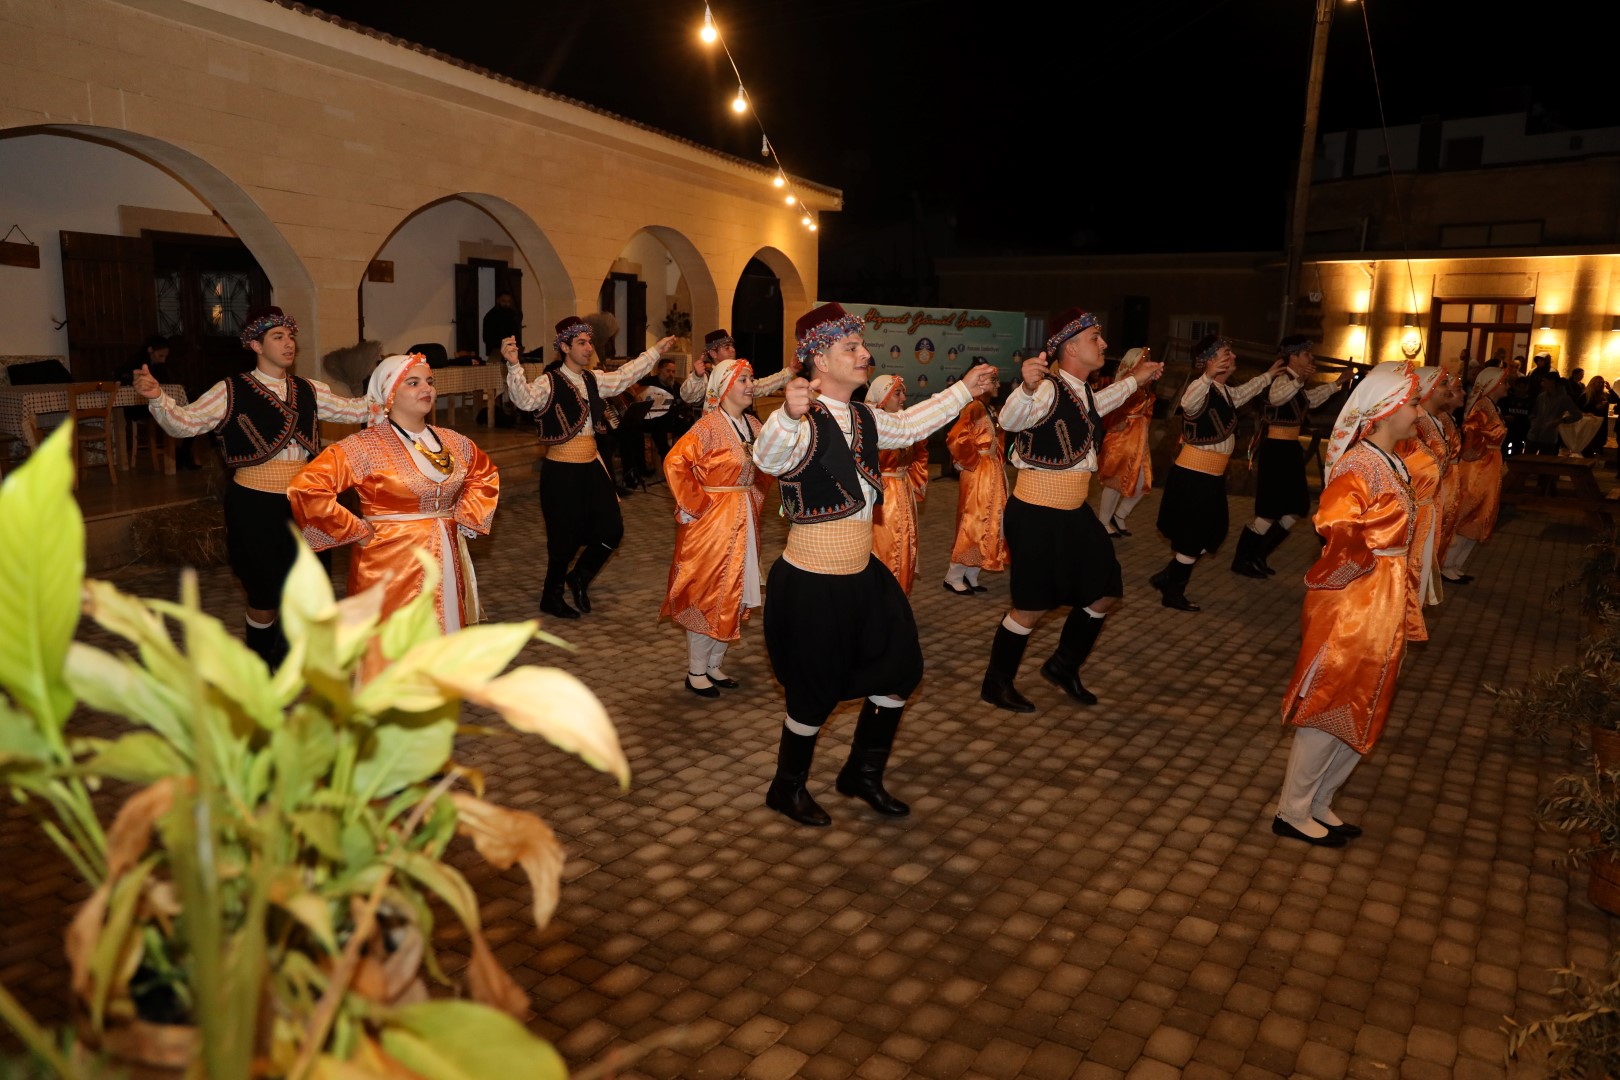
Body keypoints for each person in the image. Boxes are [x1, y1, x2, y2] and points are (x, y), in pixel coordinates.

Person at [753, 303, 998, 826]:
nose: (865, 353)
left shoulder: (864, 417)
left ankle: (861, 774)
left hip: (862, 574)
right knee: (813, 693)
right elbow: (767, 459)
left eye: (862, 346)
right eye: (851, 347)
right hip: (812, 581)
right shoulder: (797, 420)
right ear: (820, 360)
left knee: (900, 670)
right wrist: (785, 415)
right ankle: (786, 788)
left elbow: (908, 425)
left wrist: (964, 390)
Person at [132, 307, 374, 666]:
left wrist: (399, 385)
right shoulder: (229, 390)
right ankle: (261, 660)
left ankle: (292, 658)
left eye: (290, 337)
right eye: (278, 337)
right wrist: (157, 398)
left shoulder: (310, 390)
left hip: (305, 503)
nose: (289, 343)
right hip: (254, 504)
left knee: (309, 585)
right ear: (256, 346)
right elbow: (185, 423)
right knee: (264, 594)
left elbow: (357, 410)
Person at [978, 309, 1164, 713]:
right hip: (1037, 513)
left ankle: (1063, 665)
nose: (1104, 343)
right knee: (1031, 607)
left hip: (1075, 512)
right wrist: (1025, 388)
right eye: (1096, 336)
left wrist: (1136, 379)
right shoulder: (1046, 389)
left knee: (1106, 590)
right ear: (1072, 347)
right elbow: (1010, 418)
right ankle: (997, 682)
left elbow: (1102, 402)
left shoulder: (1082, 391)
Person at [1273, 362, 1421, 846]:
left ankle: (1320, 801)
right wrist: (1366, 568)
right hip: (1359, 600)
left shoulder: (1392, 460)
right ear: (1386, 410)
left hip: (1383, 596)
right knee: (1331, 700)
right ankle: (1292, 811)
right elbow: (1335, 523)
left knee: (1367, 699)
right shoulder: (1360, 464)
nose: (1419, 413)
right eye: (1414, 404)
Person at [287, 354, 500, 676]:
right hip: (389, 561)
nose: (426, 388)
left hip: (445, 552)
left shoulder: (452, 441)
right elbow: (307, 487)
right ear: (389, 395)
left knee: (442, 625)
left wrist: (466, 516)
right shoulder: (365, 446)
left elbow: (484, 474)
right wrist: (355, 529)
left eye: (429, 381)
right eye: (413, 383)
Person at [503, 320, 676, 619]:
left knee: (612, 529)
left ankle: (580, 577)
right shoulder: (549, 381)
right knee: (564, 537)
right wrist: (514, 365)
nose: (588, 348)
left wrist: (655, 352)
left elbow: (625, 375)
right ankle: (551, 596)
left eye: (589, 342)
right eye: (581, 343)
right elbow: (524, 399)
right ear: (565, 347)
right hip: (561, 470)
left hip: (592, 465)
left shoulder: (594, 379)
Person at [660, 357, 773, 697]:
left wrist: (755, 495)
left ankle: (714, 664)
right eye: (744, 380)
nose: (751, 386)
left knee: (735, 590)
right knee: (707, 592)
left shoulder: (753, 424)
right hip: (713, 525)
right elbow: (675, 461)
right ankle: (696, 671)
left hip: (744, 520)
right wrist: (695, 505)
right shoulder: (708, 426)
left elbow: (768, 465)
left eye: (751, 379)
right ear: (724, 387)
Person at [1150, 335, 1284, 612]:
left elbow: (1245, 392)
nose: (1233, 357)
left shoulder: (1224, 391)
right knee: (1194, 536)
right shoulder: (1200, 389)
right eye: (1226, 353)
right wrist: (1207, 376)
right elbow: (1188, 403)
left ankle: (1169, 575)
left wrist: (1269, 375)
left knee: (1215, 532)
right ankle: (1173, 591)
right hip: (1193, 475)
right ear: (1211, 361)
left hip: (1210, 477)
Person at [1231, 336, 1351, 577]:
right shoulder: (1281, 379)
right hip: (1275, 450)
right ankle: (1242, 560)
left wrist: (1337, 383)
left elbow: (1310, 400)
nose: (1311, 357)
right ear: (1293, 357)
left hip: (1290, 451)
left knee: (1297, 507)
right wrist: (1300, 380)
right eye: (1306, 354)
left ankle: (1259, 553)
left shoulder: (1296, 384)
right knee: (1268, 511)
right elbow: (1277, 398)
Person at [1398, 368, 1454, 642]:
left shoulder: (1434, 421)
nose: (1450, 390)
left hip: (1429, 503)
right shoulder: (1413, 426)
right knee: (1412, 570)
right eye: (1444, 384)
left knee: (1421, 568)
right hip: (1416, 508)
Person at [942, 372, 1008, 595]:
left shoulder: (987, 408)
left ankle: (972, 572)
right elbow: (956, 437)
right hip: (979, 472)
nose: (997, 385)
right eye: (993, 381)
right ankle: (953, 576)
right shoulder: (973, 408)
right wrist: (971, 461)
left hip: (991, 470)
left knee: (992, 519)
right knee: (973, 521)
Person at [1442, 366, 1508, 585]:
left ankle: (1456, 563)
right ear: (1494, 385)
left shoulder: (1492, 406)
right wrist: (1480, 453)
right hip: (1479, 468)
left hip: (1488, 465)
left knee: (1482, 513)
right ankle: (1447, 564)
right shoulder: (1482, 406)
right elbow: (1471, 432)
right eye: (1504, 382)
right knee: (1470, 512)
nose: (1507, 387)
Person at [867, 375, 928, 594]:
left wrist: (913, 481)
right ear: (883, 397)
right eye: (897, 393)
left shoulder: (905, 424)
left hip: (903, 491)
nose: (903, 398)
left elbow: (921, 453)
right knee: (885, 546)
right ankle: (881, 596)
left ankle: (899, 593)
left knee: (905, 542)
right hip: (882, 496)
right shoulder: (872, 426)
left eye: (903, 393)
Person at [1095, 347, 1155, 537]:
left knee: (1143, 482)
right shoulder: (1126, 382)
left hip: (1138, 438)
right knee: (1115, 482)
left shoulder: (1143, 382)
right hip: (1122, 438)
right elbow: (1112, 409)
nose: (1147, 362)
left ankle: (1119, 515)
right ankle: (1103, 522)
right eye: (1144, 359)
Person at [681, 328, 793, 411]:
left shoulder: (739, 374)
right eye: (727, 348)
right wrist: (697, 376)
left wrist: (790, 371)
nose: (733, 350)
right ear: (713, 353)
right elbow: (687, 397)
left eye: (732, 346)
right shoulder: (707, 377)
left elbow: (761, 386)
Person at [1527, 375, 1580, 456]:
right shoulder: (1541, 396)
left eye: (1544, 381)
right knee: (1527, 459)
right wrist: (1533, 421)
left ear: (1552, 382)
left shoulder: (1563, 398)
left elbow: (1578, 415)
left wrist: (1560, 420)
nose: (1541, 384)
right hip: (1534, 434)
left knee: (1545, 460)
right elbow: (1535, 412)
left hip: (1549, 436)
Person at [481, 290, 521, 361]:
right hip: (497, 352)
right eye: (504, 301)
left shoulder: (512, 315)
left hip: (511, 352)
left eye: (509, 301)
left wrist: (518, 347)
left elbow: (516, 333)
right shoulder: (490, 316)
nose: (506, 304)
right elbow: (487, 337)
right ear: (498, 300)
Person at [1499, 378, 1533, 457]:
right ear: (1515, 387)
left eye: (1524, 387)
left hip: (1522, 432)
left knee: (1517, 453)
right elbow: (1499, 412)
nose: (1521, 390)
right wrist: (1505, 417)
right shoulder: (1507, 399)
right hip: (1508, 430)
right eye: (1520, 387)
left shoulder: (1531, 401)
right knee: (1503, 451)